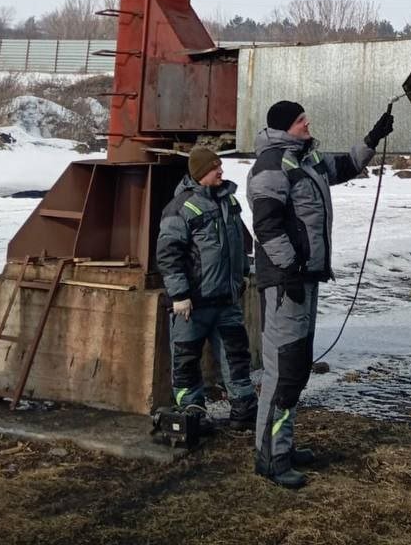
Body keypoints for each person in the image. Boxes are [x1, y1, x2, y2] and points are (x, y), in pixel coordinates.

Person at [250, 99, 394, 488]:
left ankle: (283, 445)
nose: (307, 122)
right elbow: (266, 226)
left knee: (296, 368)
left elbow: (345, 166)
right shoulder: (271, 166)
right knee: (282, 371)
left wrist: (372, 138)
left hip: (305, 278)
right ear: (284, 127)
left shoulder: (305, 159)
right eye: (301, 120)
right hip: (286, 284)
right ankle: (270, 457)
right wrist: (290, 269)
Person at [156, 144, 257, 433]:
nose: (221, 171)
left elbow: (237, 242)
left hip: (226, 300)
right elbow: (168, 254)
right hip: (194, 303)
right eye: (215, 168)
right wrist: (180, 295)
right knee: (187, 358)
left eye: (220, 166)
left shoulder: (229, 201)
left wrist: (242, 273)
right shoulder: (180, 208)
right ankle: (192, 412)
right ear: (201, 173)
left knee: (237, 355)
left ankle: (244, 410)